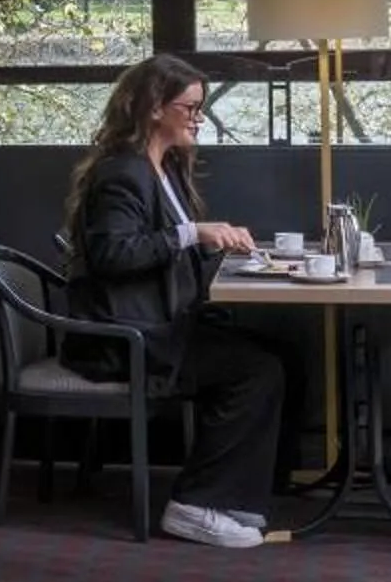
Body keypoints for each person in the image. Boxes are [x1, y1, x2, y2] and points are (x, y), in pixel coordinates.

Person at [63, 54, 286, 550]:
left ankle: (235, 498)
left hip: (162, 325)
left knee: (279, 353)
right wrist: (192, 233)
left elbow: (170, 250)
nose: (197, 118)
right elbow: (112, 254)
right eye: (190, 108)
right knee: (255, 370)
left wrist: (226, 251)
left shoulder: (163, 169)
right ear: (153, 109)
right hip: (127, 337)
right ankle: (193, 505)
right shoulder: (123, 173)